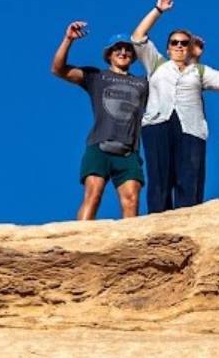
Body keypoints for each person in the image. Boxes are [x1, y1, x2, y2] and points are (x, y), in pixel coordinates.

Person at [131, 0, 219, 212]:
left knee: (189, 180)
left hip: (191, 128)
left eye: (184, 43)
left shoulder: (199, 71)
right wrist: (158, 10)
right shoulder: (157, 64)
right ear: (168, 48)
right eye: (175, 43)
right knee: (159, 179)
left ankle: (187, 224)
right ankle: (158, 224)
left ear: (190, 48)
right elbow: (138, 37)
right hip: (158, 124)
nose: (179, 46)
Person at [51, 23, 150, 220]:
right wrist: (68, 40)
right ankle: (80, 237)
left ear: (134, 55)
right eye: (117, 49)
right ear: (109, 54)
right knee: (93, 196)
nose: (123, 52)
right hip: (100, 145)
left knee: (131, 200)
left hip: (128, 150)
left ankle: (130, 240)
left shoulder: (143, 83)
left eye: (128, 49)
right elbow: (58, 69)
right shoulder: (97, 76)